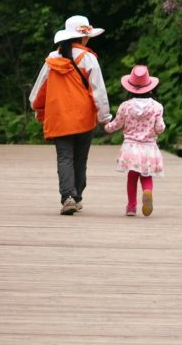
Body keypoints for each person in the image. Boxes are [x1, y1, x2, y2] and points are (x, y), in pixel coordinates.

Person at [30, 15, 111, 215]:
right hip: (83, 118)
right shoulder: (89, 58)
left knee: (64, 157)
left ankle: (67, 197)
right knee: (80, 158)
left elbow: (38, 91)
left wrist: (38, 108)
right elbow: (98, 91)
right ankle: (77, 197)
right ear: (82, 37)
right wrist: (105, 117)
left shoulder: (52, 60)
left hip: (59, 118)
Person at [105, 64, 165, 217]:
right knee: (146, 175)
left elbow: (117, 124)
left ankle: (131, 207)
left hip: (131, 148)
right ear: (150, 88)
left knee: (132, 177)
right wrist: (158, 126)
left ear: (129, 88)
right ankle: (147, 191)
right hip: (149, 148)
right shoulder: (157, 107)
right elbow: (159, 128)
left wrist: (107, 127)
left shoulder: (125, 106)